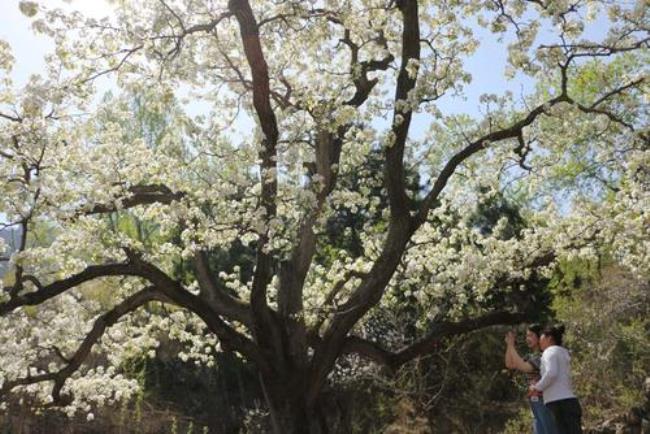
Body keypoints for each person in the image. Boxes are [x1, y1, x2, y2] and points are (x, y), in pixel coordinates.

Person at [530, 324, 583, 434]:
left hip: (558, 403)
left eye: (541, 336)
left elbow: (551, 373)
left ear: (549, 338)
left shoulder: (549, 351)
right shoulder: (563, 352)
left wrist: (537, 387)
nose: (539, 340)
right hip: (570, 401)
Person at [505, 325, 558, 434]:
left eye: (531, 335)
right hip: (534, 401)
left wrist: (511, 345)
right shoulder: (530, 356)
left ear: (539, 337)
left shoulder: (542, 356)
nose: (527, 338)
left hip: (544, 401)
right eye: (526, 336)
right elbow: (510, 364)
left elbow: (523, 366)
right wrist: (510, 346)